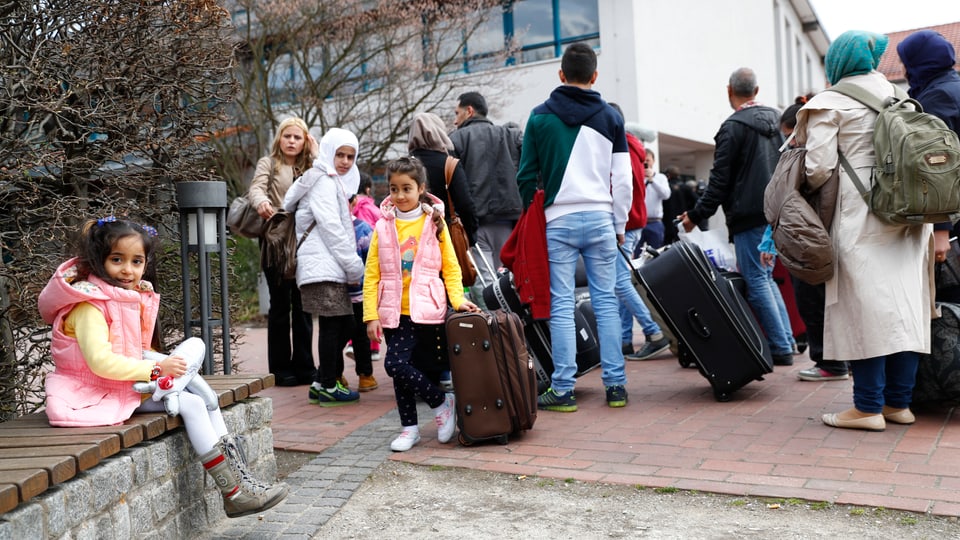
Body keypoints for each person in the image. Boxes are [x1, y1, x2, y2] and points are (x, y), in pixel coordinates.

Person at [37, 217, 287, 517]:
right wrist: (157, 371)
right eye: (117, 260)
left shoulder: (125, 297)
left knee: (197, 353)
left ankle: (241, 482)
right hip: (93, 394)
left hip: (125, 385)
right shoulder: (89, 305)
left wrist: (161, 366)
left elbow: (135, 351)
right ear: (98, 260)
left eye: (136, 261)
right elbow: (101, 362)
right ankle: (234, 492)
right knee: (195, 403)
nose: (128, 269)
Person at [796, 30, 932, 431]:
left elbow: (817, 168)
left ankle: (866, 408)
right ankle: (898, 405)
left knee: (863, 311)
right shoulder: (900, 96)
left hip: (861, 217)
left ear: (837, 60)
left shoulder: (830, 103)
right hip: (909, 218)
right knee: (905, 310)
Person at [516, 43, 633, 411]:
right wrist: (620, 223)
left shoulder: (538, 117)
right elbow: (624, 180)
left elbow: (524, 177)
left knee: (563, 304)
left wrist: (532, 210)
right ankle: (616, 387)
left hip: (558, 220)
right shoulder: (611, 117)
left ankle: (563, 389)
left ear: (561, 74)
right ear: (595, 76)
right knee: (606, 301)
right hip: (601, 218)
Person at [679, 67, 795, 367]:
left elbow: (719, 182)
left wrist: (695, 215)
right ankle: (787, 342)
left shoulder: (732, 127)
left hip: (748, 214)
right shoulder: (780, 121)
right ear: (756, 91)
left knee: (756, 278)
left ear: (729, 90)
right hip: (778, 212)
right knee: (766, 278)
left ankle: (781, 347)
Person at [363, 156, 480, 452]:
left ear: (421, 189)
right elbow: (371, 273)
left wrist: (458, 299)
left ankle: (441, 403)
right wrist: (370, 316)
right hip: (393, 311)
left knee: (401, 365)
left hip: (427, 308)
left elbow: (451, 267)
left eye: (407, 188)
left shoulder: (434, 223)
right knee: (398, 368)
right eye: (393, 189)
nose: (400, 196)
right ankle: (412, 426)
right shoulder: (382, 226)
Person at [767, 95, 849, 382]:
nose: (787, 142)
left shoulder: (811, 158)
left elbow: (785, 199)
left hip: (812, 238)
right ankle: (837, 361)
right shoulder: (831, 150)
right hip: (829, 235)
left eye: (789, 136)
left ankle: (829, 363)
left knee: (812, 300)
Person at [283, 128, 365, 406]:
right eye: (339, 154)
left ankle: (321, 380)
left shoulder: (326, 179)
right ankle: (328, 384)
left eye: (350, 156)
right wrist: (354, 265)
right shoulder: (323, 182)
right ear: (329, 153)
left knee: (342, 323)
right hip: (324, 265)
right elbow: (332, 228)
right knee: (338, 324)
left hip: (325, 265)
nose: (344, 161)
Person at [247, 117, 316, 387]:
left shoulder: (310, 165)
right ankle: (280, 369)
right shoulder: (269, 163)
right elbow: (256, 188)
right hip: (276, 240)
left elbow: (330, 176)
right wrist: (262, 201)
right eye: (287, 136)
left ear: (305, 141)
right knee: (279, 305)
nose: (291, 141)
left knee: (303, 305)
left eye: (298, 137)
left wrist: (315, 150)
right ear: (279, 138)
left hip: (306, 240)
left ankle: (305, 366)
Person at [897, 30, 960, 300]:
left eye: (905, 63)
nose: (903, 69)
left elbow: (938, 165)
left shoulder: (937, 99)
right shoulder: (951, 87)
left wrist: (941, 229)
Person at [608, 102, 670, 360]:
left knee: (620, 282)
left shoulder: (621, 145)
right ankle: (625, 339)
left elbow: (623, 187)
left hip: (627, 222)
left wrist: (618, 224)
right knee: (620, 282)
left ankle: (654, 331)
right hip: (633, 221)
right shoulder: (632, 144)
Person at [449, 91, 524, 288]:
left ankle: (495, 318)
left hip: (477, 222)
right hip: (510, 219)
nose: (455, 121)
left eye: (457, 113)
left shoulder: (455, 140)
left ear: (469, 111)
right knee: (512, 277)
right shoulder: (511, 136)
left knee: (486, 282)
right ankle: (516, 318)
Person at [408, 112, 480, 251]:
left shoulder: (404, 166)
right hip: (445, 235)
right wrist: (471, 235)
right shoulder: (449, 164)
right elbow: (465, 204)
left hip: (411, 235)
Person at [345, 194, 378, 392]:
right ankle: (364, 375)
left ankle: (361, 375)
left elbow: (372, 261)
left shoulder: (362, 229)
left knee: (343, 334)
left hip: (347, 293)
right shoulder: (364, 228)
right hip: (356, 292)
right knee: (358, 334)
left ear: (353, 202)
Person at [640, 149, 671, 250]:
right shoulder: (636, 177)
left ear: (653, 161)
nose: (645, 162)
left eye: (648, 160)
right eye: (643, 160)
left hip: (655, 222)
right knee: (634, 254)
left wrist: (652, 181)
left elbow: (666, 195)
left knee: (655, 252)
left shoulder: (661, 178)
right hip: (639, 223)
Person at [661, 165, 697, 245]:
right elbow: (696, 200)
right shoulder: (686, 187)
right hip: (682, 219)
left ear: (668, 175)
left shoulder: (665, 187)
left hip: (666, 221)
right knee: (682, 243)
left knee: (666, 245)